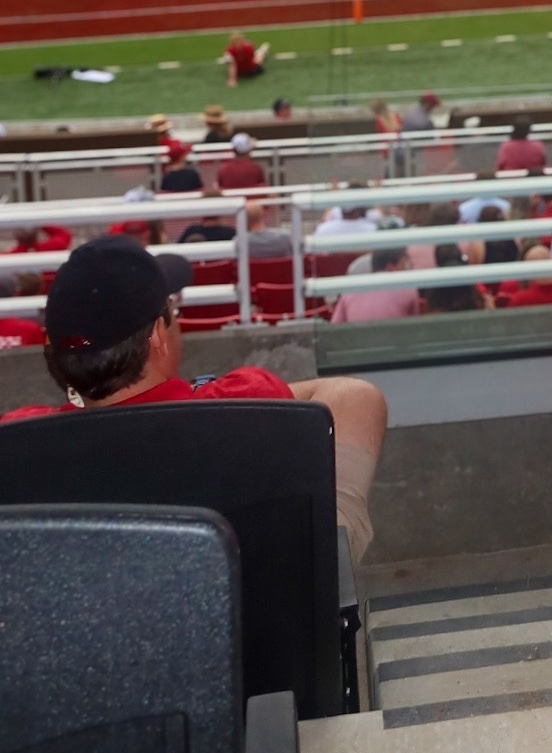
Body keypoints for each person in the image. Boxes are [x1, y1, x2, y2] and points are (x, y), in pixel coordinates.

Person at [0, 237, 386, 562]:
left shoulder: (18, 437)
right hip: (254, 643)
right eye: (172, 310)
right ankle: (330, 559)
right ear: (157, 335)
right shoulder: (248, 402)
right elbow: (354, 396)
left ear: (52, 349)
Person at [330, 247, 421, 324]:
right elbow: (413, 327)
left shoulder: (350, 291)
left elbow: (336, 326)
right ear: (390, 267)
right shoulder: (407, 288)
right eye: (404, 265)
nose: (408, 269)